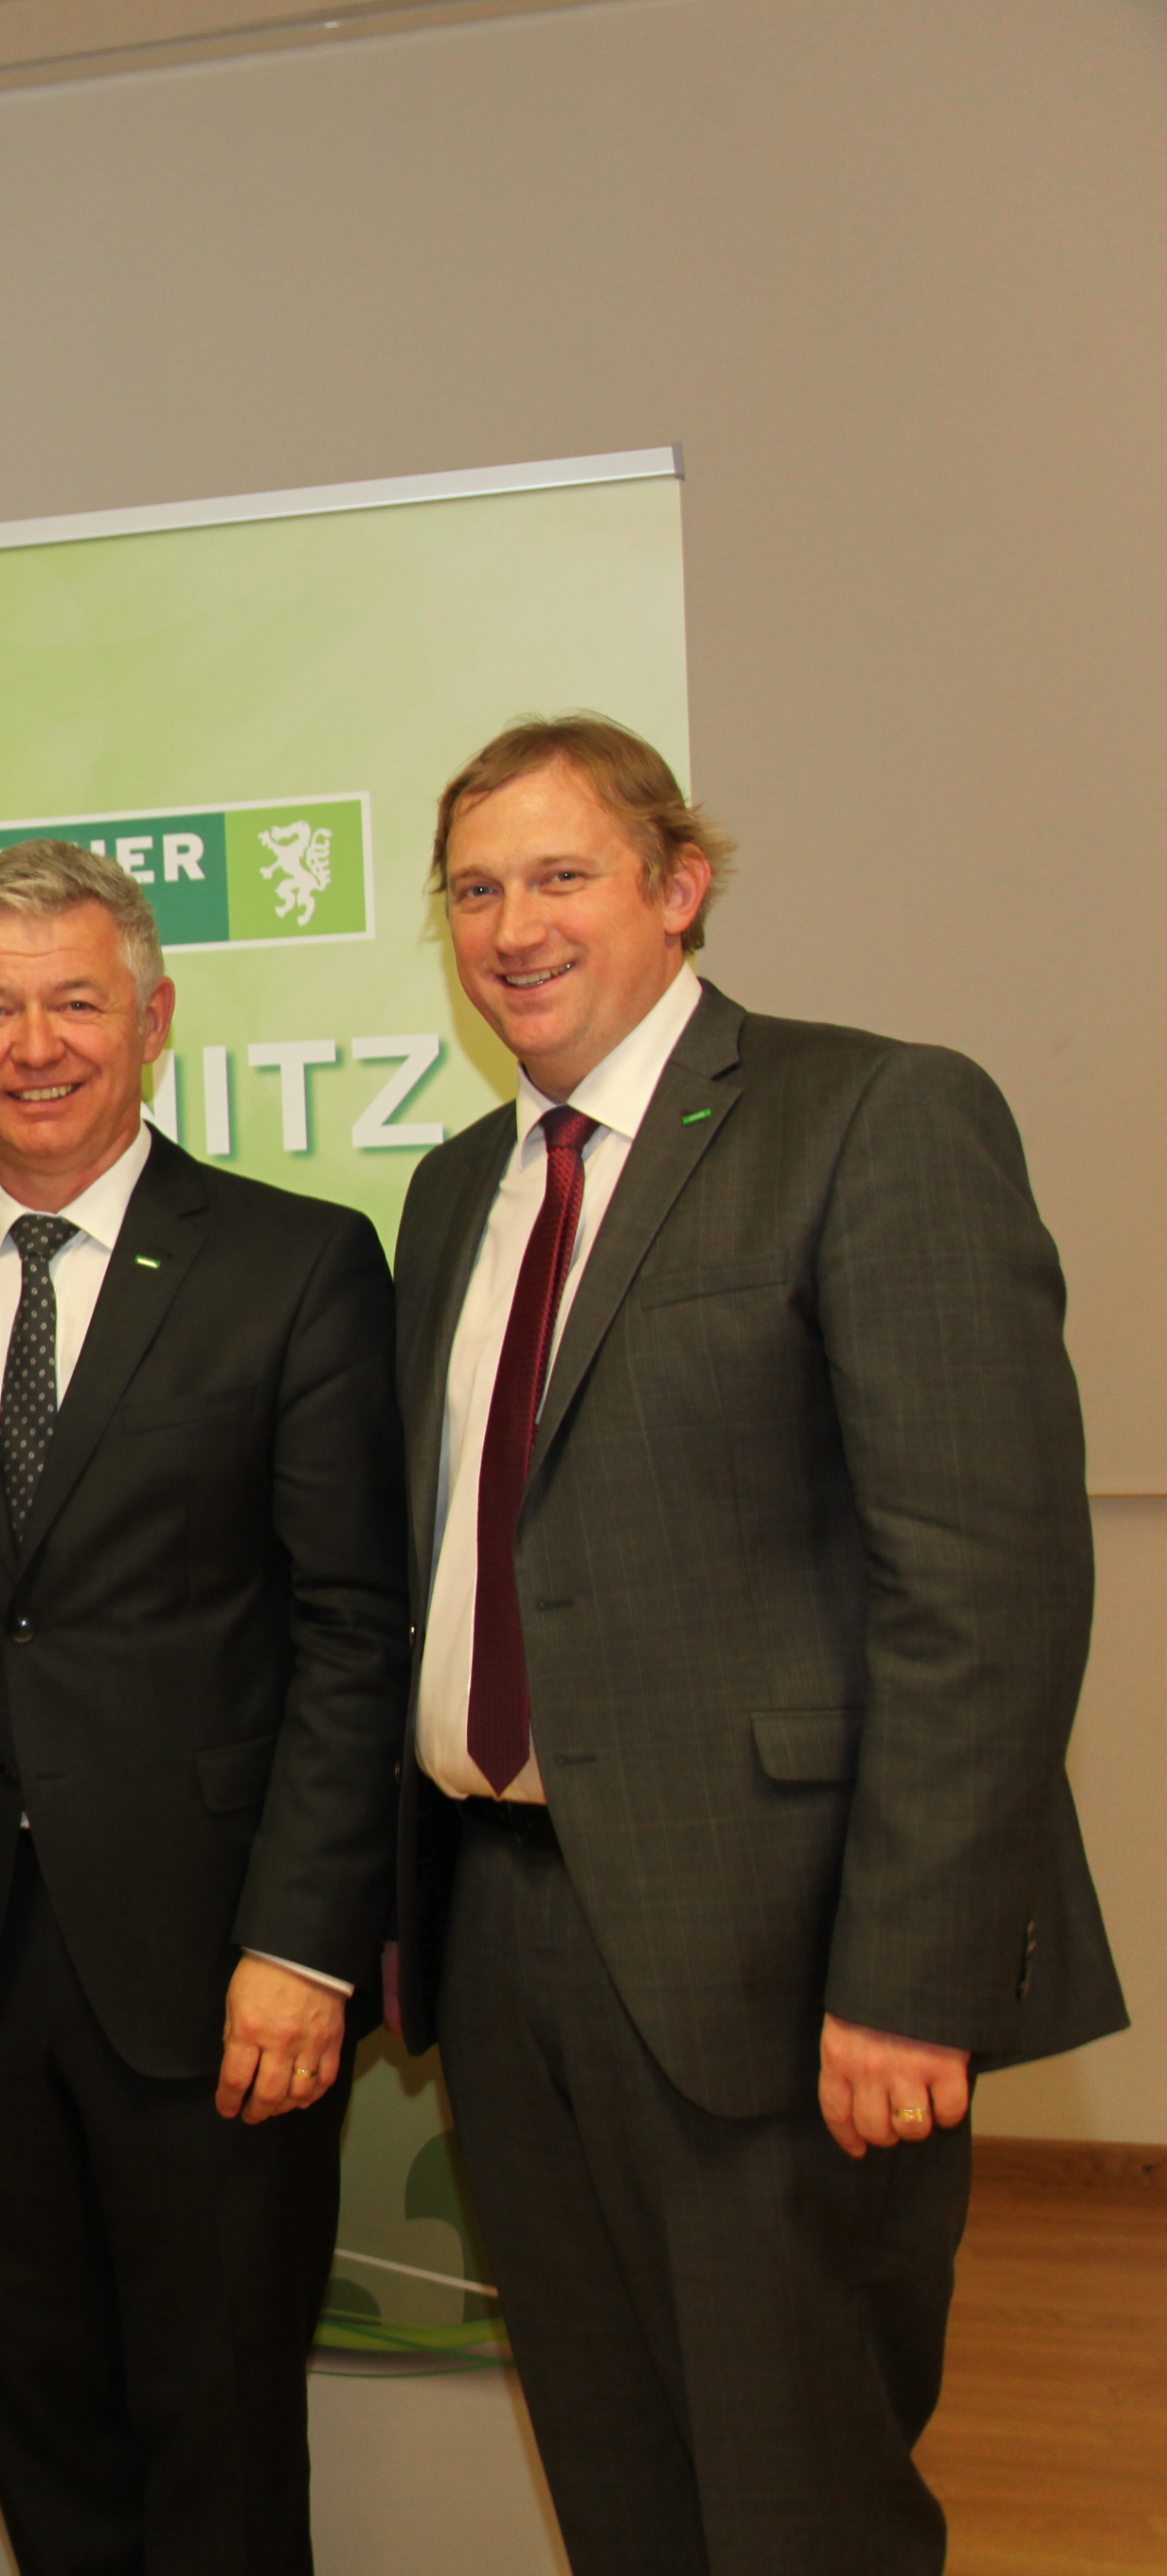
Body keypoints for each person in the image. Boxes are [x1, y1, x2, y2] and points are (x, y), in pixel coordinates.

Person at [392, 715, 1125, 2575]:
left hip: (784, 1966)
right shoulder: (456, 1190)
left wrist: (913, 1975)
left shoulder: (872, 1116)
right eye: (475, 888)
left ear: (679, 887)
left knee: (803, 2511)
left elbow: (985, 1587)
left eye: (561, 875)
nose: (513, 927)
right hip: (503, 1937)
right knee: (620, 2489)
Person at [0, 841, 405, 2576]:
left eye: (76, 1002)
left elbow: (353, 1628)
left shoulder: (297, 1264)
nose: (36, 1045)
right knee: (43, 2419)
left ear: (153, 1020)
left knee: (218, 2428)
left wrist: (305, 1943)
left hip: (217, 1967)